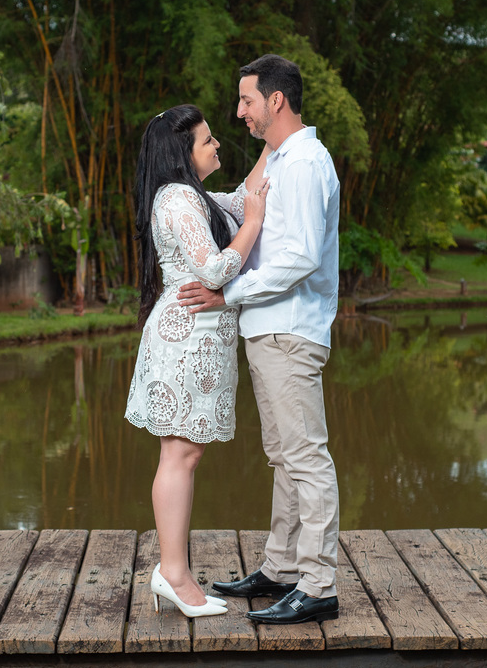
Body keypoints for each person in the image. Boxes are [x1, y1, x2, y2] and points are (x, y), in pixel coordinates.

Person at [178, 54, 342, 625]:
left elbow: (298, 257)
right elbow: (240, 207)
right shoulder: (277, 157)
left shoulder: (304, 163)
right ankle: (281, 568)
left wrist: (229, 293)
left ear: (275, 100)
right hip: (269, 328)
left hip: (290, 327)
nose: (239, 111)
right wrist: (180, 190)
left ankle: (318, 583)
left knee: (305, 457)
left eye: (246, 100)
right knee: (283, 457)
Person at [124, 103, 269, 618]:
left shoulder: (193, 195)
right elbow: (212, 270)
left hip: (194, 340)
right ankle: (173, 573)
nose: (217, 146)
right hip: (186, 342)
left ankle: (173, 570)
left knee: (183, 454)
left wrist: (275, 144)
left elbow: (242, 192)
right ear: (183, 152)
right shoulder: (180, 199)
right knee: (180, 455)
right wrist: (252, 224)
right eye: (208, 140)